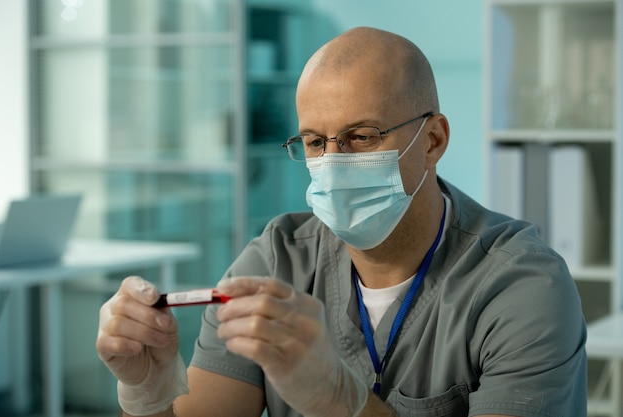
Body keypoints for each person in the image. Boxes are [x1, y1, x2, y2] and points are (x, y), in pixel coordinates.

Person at [96, 27, 587, 417]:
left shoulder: (521, 286)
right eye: (314, 142)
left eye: (360, 137)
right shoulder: (275, 260)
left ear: (433, 140)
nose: (332, 163)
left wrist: (338, 400)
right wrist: (147, 394)